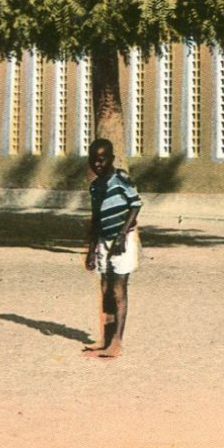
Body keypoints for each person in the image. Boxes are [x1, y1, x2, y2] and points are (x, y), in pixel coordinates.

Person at [83, 138, 142, 360]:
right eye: (93, 161)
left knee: (119, 289)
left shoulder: (121, 179)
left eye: (102, 160)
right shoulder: (95, 186)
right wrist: (91, 250)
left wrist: (120, 235)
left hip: (123, 240)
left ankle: (117, 342)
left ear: (111, 159)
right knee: (106, 288)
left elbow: (135, 205)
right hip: (103, 241)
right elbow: (96, 219)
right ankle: (105, 339)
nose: (97, 165)